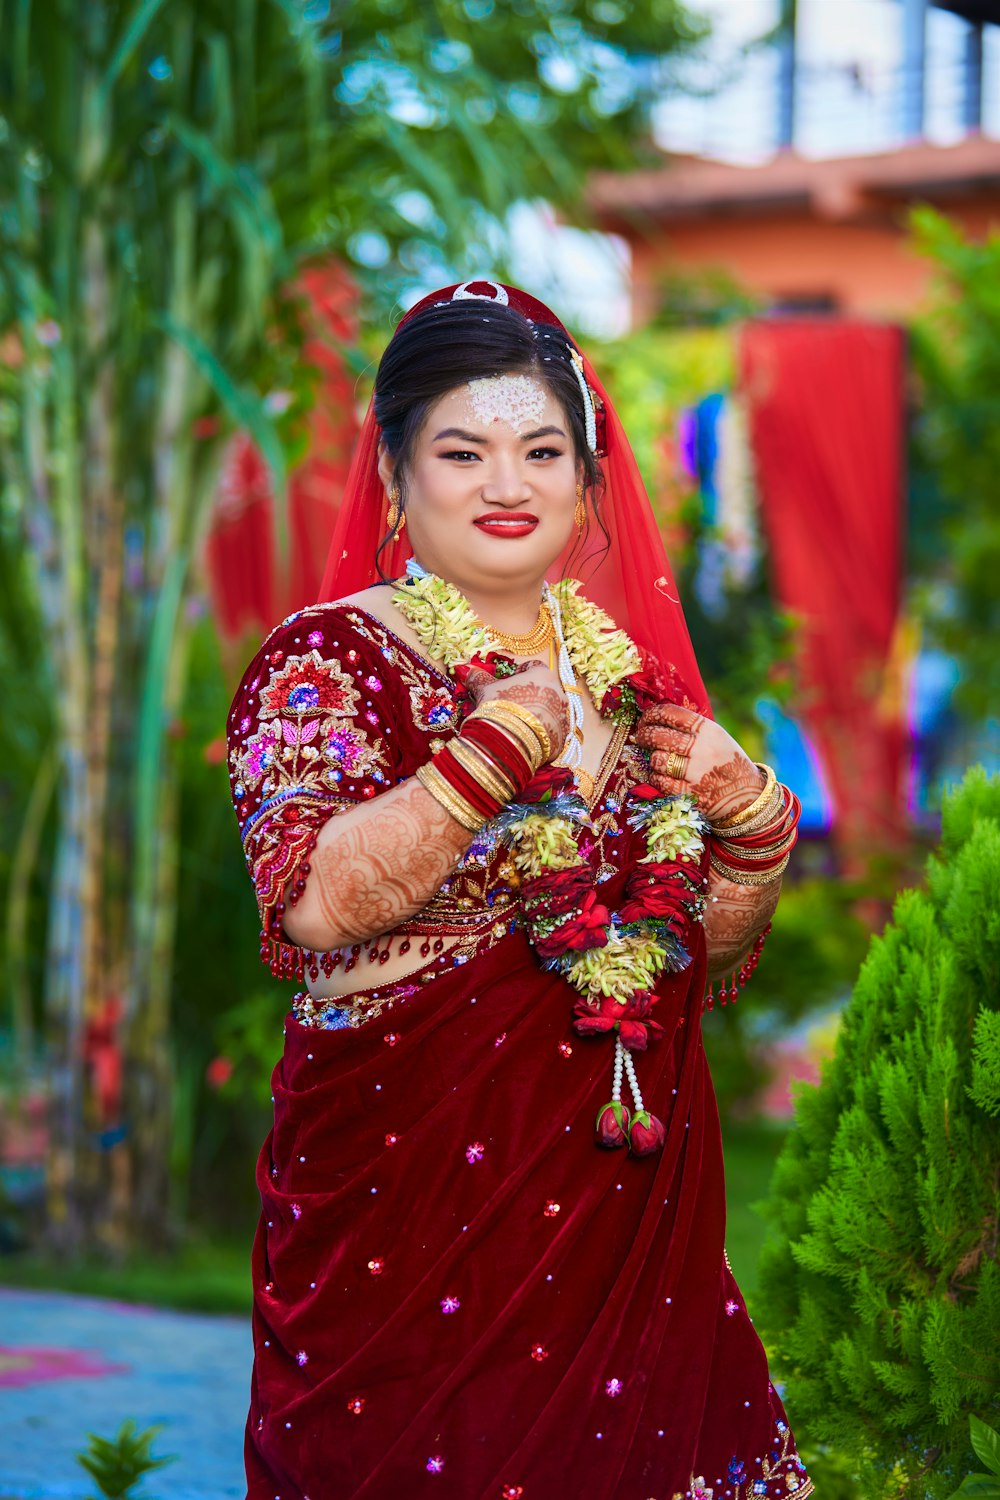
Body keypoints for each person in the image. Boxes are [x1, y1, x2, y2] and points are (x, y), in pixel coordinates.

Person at [227, 279, 811, 1500]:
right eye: (462, 450)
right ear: (395, 475)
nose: (509, 483)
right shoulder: (326, 660)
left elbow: (687, 958)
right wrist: (490, 754)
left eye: (542, 449)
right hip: (411, 1228)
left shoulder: (630, 690)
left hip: (631, 1219)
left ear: (587, 480)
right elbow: (317, 906)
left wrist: (754, 822)